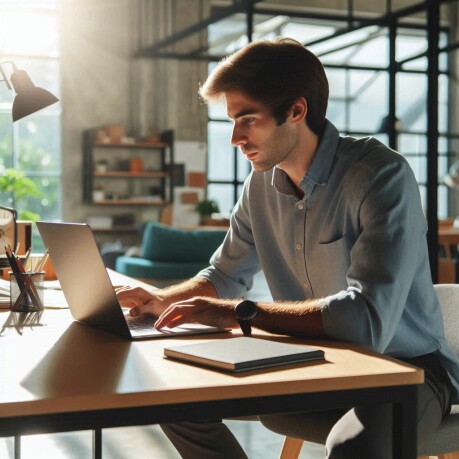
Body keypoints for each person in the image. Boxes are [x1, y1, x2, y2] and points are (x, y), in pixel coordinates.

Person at [116, 38, 459, 459]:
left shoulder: (380, 176)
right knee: (166, 393)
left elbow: (366, 323)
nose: (235, 138)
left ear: (296, 111)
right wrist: (158, 300)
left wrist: (240, 313)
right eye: (233, 121)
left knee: (357, 448)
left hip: (407, 369)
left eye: (248, 119)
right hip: (315, 361)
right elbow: (224, 276)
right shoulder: (259, 185)